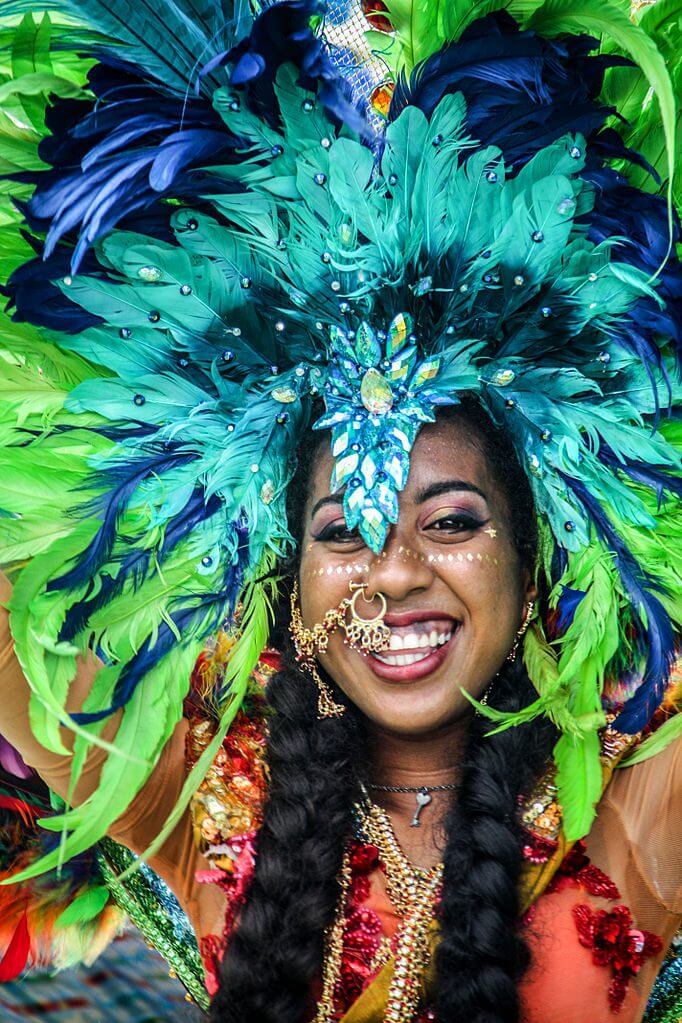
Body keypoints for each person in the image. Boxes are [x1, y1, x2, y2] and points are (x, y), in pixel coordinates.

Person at [0, 2, 679, 1022]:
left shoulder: (637, 792)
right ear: (288, 575)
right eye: (340, 533)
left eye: (451, 522)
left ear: (532, 555)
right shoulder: (203, 796)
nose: (393, 572)